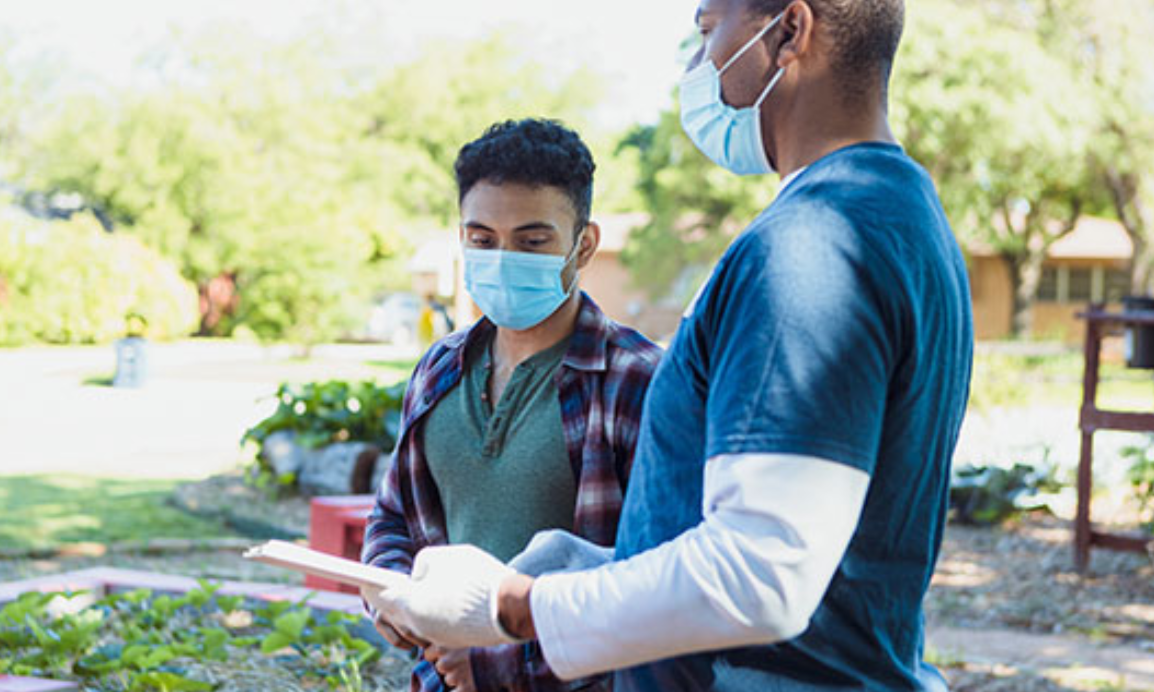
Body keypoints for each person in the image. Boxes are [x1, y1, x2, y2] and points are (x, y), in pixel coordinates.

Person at [362, 1, 975, 691]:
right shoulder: (901, 218)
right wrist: (584, 568)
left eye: (708, 30)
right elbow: (811, 552)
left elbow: (761, 573)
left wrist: (514, 609)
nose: (695, 65)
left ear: (790, 32)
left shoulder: (809, 249)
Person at [362, 118, 664, 691]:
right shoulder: (437, 371)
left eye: (531, 242)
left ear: (584, 244)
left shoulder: (639, 381)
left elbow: (659, 584)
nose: (502, 259)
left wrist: (507, 663)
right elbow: (394, 515)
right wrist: (388, 589)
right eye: (482, 239)